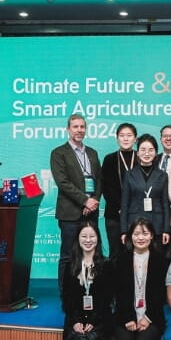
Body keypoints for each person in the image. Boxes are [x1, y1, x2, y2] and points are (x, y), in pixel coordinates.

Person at [50, 114, 103, 293]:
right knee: (68, 255)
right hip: (70, 213)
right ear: (68, 129)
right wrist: (85, 200)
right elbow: (63, 183)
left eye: (82, 127)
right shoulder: (59, 153)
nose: (79, 130)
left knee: (94, 254)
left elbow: (99, 181)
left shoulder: (93, 153)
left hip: (92, 212)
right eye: (75, 127)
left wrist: (94, 200)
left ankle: (93, 291)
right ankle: (66, 293)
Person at [119, 134, 171, 256]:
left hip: (157, 225)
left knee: (157, 261)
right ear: (137, 153)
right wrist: (124, 230)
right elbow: (124, 204)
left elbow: (165, 204)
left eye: (151, 150)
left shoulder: (162, 175)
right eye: (143, 150)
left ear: (156, 153)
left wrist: (166, 230)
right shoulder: (129, 174)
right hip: (134, 225)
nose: (147, 153)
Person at [101, 123, 137, 260]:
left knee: (135, 253)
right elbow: (106, 187)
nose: (125, 139)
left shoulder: (141, 157)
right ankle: (115, 282)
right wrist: (121, 207)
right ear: (117, 138)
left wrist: (131, 209)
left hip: (137, 214)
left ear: (135, 139)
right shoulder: (109, 159)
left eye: (129, 135)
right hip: (114, 214)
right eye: (122, 136)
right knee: (115, 253)